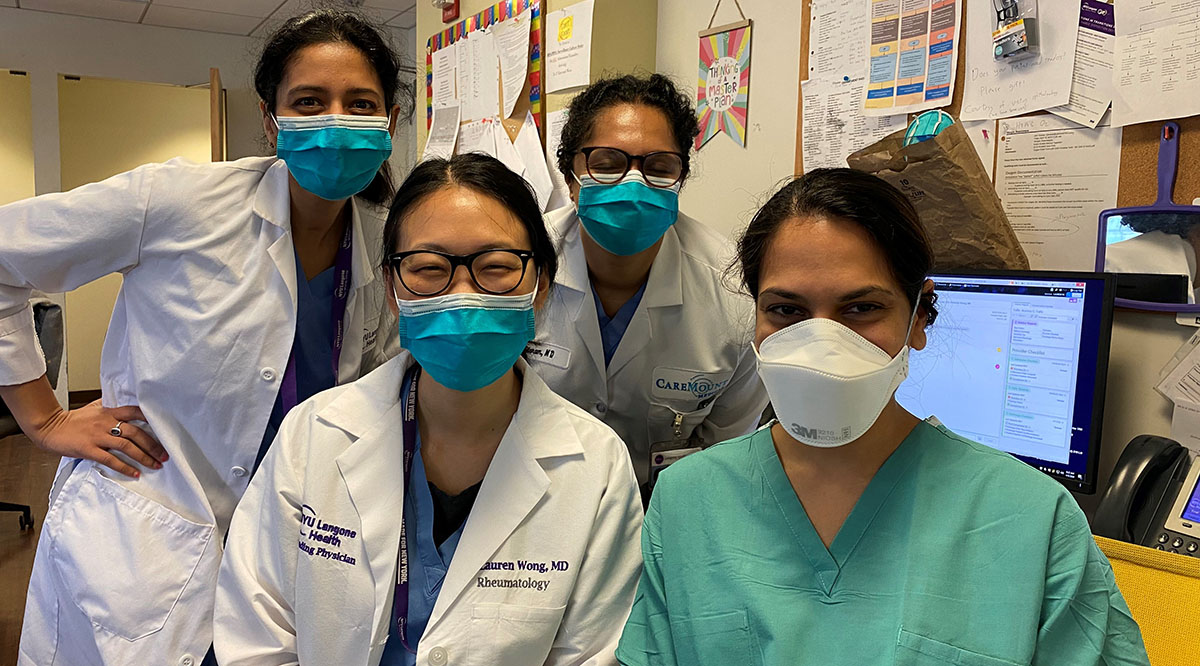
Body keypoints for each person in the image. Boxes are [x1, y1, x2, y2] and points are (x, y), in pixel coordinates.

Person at [2, 10, 409, 664]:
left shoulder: (379, 242)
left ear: (388, 123)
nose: (336, 120)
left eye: (358, 104)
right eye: (310, 101)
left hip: (281, 541)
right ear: (271, 119)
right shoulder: (177, 200)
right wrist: (43, 419)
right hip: (144, 539)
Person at [616, 169, 1151, 665]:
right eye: (786, 311)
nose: (821, 343)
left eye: (861, 308)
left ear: (920, 316)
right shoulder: (688, 502)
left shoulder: (1031, 519)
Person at [214, 153, 644, 666]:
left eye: (497, 268)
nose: (462, 296)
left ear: (539, 288)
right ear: (394, 292)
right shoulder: (314, 435)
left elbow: (592, 655)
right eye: (429, 269)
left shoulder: (596, 467)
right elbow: (257, 635)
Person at [531, 74, 768, 499]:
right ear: (570, 178)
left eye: (658, 167)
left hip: (664, 505)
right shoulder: (517, 264)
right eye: (606, 163)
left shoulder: (735, 295)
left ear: (679, 179)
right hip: (531, 494)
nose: (633, 182)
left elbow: (728, 451)